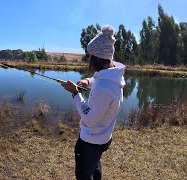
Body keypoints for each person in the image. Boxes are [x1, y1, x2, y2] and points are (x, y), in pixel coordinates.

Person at [61, 25, 126, 180]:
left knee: (83, 175)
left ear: (96, 57)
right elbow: (99, 78)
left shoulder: (104, 88)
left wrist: (75, 93)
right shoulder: (113, 76)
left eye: (89, 56)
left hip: (90, 141)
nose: (88, 59)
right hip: (103, 138)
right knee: (94, 168)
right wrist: (87, 81)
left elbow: (89, 119)